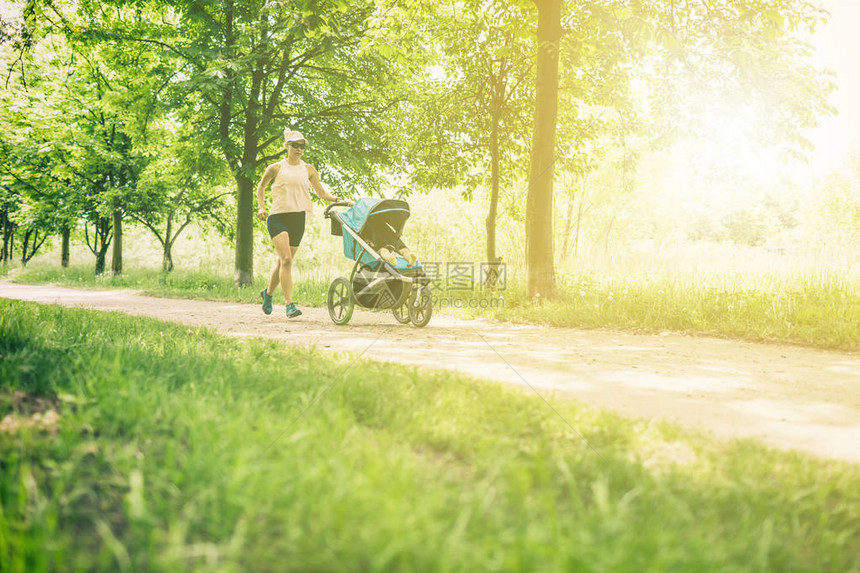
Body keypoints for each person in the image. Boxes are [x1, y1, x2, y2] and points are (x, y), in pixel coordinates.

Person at [256, 128, 351, 318]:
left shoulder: (308, 170)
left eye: (302, 147)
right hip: (277, 217)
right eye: (296, 146)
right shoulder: (275, 168)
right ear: (286, 146)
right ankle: (289, 305)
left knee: (283, 262)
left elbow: (322, 194)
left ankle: (267, 294)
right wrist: (261, 207)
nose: (299, 149)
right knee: (287, 260)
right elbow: (261, 186)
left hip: (297, 218)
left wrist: (341, 201)